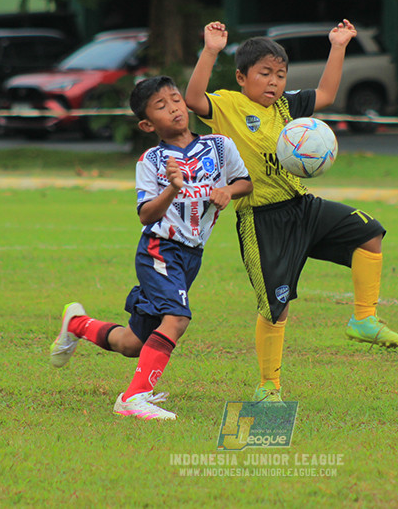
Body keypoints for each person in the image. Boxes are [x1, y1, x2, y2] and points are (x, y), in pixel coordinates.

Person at [185, 20, 398, 404]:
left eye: (280, 74)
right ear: (242, 77)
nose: (273, 82)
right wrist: (210, 51)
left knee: (369, 231)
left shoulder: (288, 104)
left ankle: (364, 318)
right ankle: (268, 386)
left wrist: (337, 45)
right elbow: (192, 99)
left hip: (303, 206)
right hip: (262, 220)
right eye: (265, 74)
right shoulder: (228, 105)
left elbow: (325, 93)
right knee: (277, 307)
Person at [49, 75, 252, 420]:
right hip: (160, 250)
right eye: (161, 106)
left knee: (132, 343)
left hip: (191, 255)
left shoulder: (220, 146)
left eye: (175, 99)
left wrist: (228, 192)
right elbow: (145, 215)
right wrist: (172, 189)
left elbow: (244, 181)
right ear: (146, 124)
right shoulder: (151, 161)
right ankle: (133, 397)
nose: (173, 107)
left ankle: (78, 324)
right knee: (177, 318)